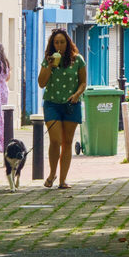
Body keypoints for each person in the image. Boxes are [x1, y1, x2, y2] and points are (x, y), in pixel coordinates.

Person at [37, 29, 87, 189]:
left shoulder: (77, 60)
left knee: (67, 142)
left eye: (62, 42)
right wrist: (50, 66)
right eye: (56, 42)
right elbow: (41, 83)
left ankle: (63, 180)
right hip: (52, 103)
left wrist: (77, 94)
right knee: (55, 140)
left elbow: (83, 82)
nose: (59, 45)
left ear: (68, 43)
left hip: (71, 104)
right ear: (52, 44)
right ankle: (52, 173)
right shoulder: (48, 60)